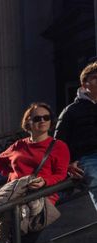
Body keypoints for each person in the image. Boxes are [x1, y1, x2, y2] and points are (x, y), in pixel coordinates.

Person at [0, 102, 70, 243]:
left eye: (46, 118)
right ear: (28, 122)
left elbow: (61, 174)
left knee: (26, 241)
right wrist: (12, 178)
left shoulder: (58, 146)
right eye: (37, 118)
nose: (43, 121)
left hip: (41, 199)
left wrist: (44, 181)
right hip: (17, 198)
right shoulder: (19, 145)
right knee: (12, 242)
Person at [55, 61, 97, 210]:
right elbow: (58, 144)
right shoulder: (71, 111)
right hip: (88, 158)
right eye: (95, 78)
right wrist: (68, 164)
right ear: (85, 84)